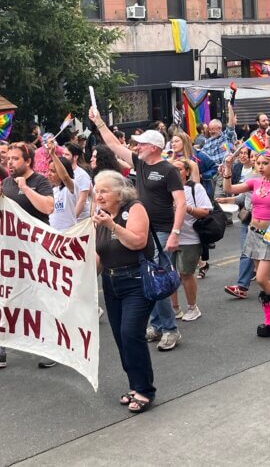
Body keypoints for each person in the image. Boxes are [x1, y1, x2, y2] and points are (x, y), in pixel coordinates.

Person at [90, 109, 186, 352]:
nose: (137, 146)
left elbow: (181, 202)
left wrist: (175, 233)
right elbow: (113, 145)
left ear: (154, 147)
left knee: (154, 277)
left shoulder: (169, 170)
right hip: (138, 227)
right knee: (146, 277)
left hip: (160, 231)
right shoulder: (140, 164)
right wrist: (99, 122)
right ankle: (156, 324)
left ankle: (170, 329)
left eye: (142, 144)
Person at [0, 142, 54, 369]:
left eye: (15, 159)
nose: (9, 163)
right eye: (8, 159)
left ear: (28, 161)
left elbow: (48, 208)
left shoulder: (40, 181)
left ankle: (49, 346)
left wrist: (26, 188)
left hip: (36, 252)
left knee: (39, 300)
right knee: (2, 298)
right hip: (9, 252)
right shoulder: (5, 183)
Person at [93, 170, 156, 413]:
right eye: (96, 191)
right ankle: (135, 385)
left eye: (104, 191)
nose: (98, 196)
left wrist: (112, 225)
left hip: (136, 281)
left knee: (131, 333)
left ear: (120, 193)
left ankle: (145, 390)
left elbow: (138, 241)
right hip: (111, 282)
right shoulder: (100, 214)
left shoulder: (134, 208)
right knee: (121, 337)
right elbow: (100, 252)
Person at [223, 148, 270, 337]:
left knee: (262, 278)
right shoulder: (255, 182)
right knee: (266, 281)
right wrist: (228, 169)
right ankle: (269, 320)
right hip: (253, 234)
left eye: (265, 163)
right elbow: (229, 189)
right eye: (259, 163)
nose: (261, 167)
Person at [170, 160, 211, 322]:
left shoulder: (195, 188)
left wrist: (185, 208)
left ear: (186, 172)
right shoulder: (166, 188)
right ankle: (175, 309)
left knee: (186, 274)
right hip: (169, 237)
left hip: (190, 238)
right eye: (172, 169)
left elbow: (205, 211)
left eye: (178, 169)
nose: (175, 172)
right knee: (170, 275)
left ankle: (192, 307)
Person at [62, 142, 92, 220]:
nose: (63, 157)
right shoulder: (61, 173)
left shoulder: (82, 175)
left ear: (75, 157)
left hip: (80, 220)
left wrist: (72, 219)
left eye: (67, 154)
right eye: (63, 154)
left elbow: (82, 200)